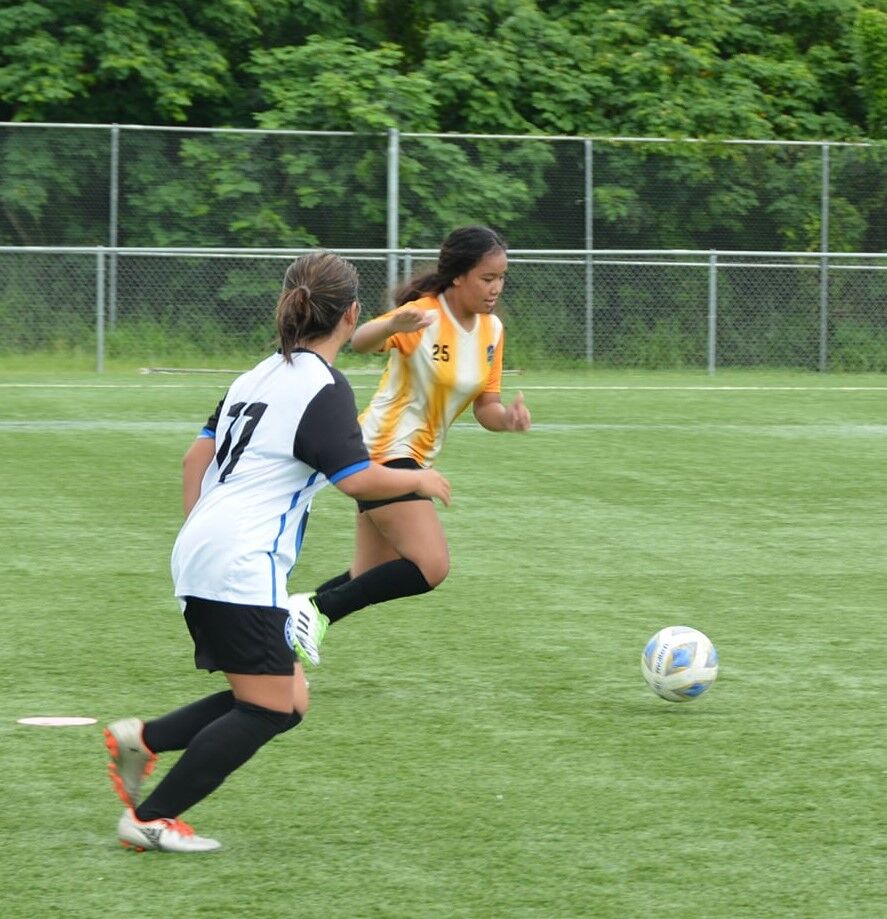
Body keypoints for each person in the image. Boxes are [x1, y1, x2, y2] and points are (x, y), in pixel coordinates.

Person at [103, 251, 450, 853]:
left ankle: (143, 739)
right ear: (352, 315)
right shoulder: (323, 386)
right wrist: (419, 480)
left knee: (287, 701)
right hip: (240, 561)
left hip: (206, 549)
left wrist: (205, 532)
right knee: (266, 710)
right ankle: (151, 819)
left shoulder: (254, 375)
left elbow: (196, 459)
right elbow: (357, 480)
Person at [289, 225, 531, 665]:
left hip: (410, 456)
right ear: (458, 276)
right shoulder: (423, 315)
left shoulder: (492, 330)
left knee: (369, 576)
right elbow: (360, 343)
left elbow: (486, 407)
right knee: (431, 565)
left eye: (501, 278)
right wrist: (390, 325)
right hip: (384, 449)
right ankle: (313, 609)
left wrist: (508, 422)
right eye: (487, 278)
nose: (496, 288)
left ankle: (277, 629)